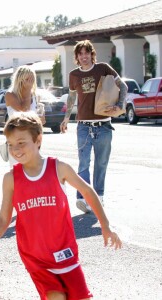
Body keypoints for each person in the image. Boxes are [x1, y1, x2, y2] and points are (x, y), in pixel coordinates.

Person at [0, 112, 122, 300]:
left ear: (38, 140)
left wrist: (105, 226)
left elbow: (87, 191)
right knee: (56, 296)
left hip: (64, 252)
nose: (15, 149)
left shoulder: (58, 168)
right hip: (35, 257)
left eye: (21, 142)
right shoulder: (11, 179)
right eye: (10, 145)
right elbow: (4, 218)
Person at [60, 40, 128, 213]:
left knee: (101, 163)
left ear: (92, 54)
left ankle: (99, 197)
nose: (84, 57)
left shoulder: (103, 68)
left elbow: (123, 86)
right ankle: (83, 197)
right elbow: (71, 98)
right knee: (83, 163)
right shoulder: (74, 75)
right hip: (83, 126)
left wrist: (120, 105)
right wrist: (66, 118)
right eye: (80, 54)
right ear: (76, 57)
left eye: (86, 53)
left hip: (104, 126)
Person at [4, 65, 45, 166]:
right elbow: (24, 111)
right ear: (20, 79)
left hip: (32, 139)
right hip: (17, 139)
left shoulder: (34, 96)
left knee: (33, 169)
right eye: (27, 79)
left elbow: (39, 120)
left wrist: (41, 117)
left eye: (32, 79)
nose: (30, 82)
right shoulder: (10, 95)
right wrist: (27, 91)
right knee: (17, 171)